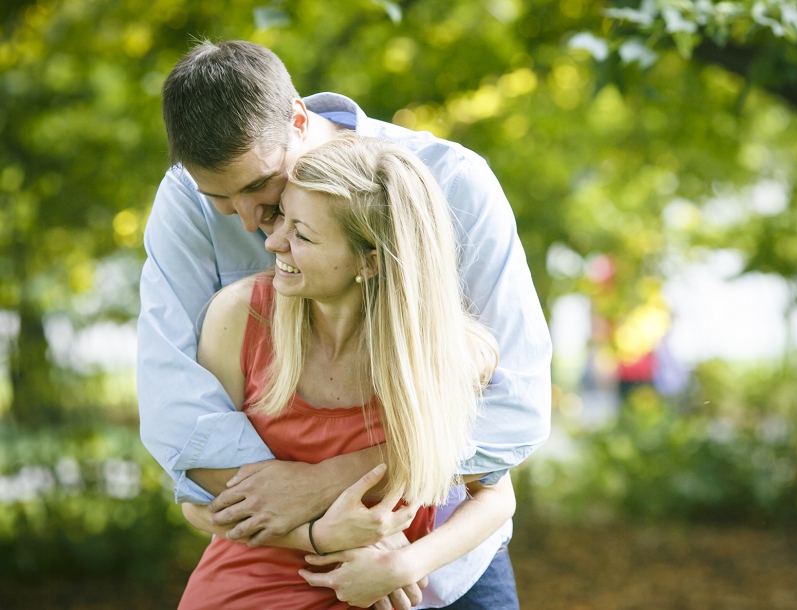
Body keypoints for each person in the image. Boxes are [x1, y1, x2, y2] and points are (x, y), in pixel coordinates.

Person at [138, 40, 551, 607]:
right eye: (223, 200)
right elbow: (180, 422)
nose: (255, 223)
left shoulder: (453, 182)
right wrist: (321, 536)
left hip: (445, 566)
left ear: (299, 119)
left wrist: (333, 485)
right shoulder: (188, 205)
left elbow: (515, 411)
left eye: (262, 187)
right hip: (272, 572)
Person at [178, 133, 517, 609]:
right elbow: (195, 501)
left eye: (303, 234)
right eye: (282, 220)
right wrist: (321, 536)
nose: (273, 242)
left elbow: (497, 497)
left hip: (375, 592)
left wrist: (404, 566)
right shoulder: (238, 318)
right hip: (244, 592)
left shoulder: (449, 353)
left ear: (370, 260)